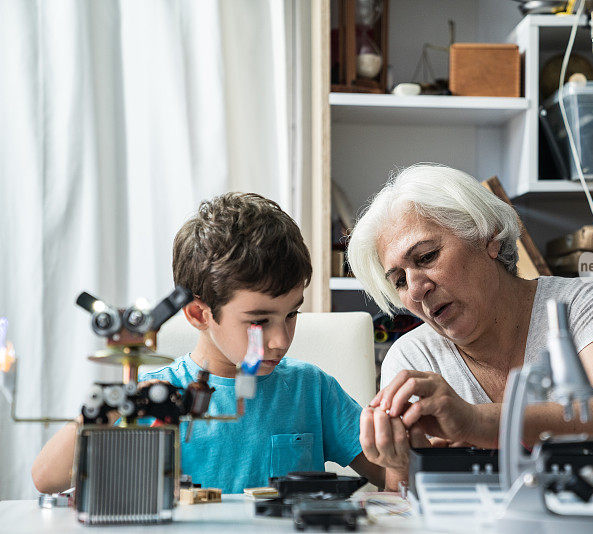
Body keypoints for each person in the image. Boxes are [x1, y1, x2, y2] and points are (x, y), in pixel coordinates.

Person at [32, 192, 396, 494]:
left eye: (291, 314)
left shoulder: (312, 390)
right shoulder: (157, 398)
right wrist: (112, 407)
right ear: (198, 314)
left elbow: (394, 478)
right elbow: (46, 479)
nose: (280, 340)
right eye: (258, 321)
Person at [347, 163, 593, 484]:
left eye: (427, 257)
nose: (417, 289)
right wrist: (406, 464)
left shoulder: (590, 304)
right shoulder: (411, 360)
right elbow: (403, 494)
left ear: (488, 236)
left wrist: (478, 422)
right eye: (400, 281)